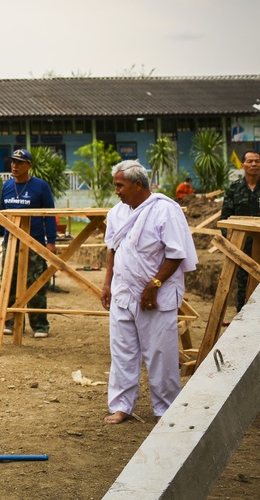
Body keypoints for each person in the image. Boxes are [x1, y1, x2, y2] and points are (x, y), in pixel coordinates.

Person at [101, 160, 197, 424]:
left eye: (120, 185)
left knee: (160, 354)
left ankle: (165, 410)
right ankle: (122, 406)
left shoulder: (165, 210)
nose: (116, 191)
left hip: (157, 294)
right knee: (122, 352)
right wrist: (107, 283)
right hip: (123, 292)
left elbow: (177, 254)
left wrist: (154, 285)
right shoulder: (116, 213)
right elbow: (112, 249)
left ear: (138, 184)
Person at [0, 148, 57, 338]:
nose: (14, 166)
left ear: (29, 165)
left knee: (36, 283)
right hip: (11, 244)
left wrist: (51, 242)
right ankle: (10, 321)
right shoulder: (7, 187)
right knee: (9, 282)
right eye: (13, 162)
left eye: (19, 162)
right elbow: (3, 216)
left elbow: (49, 216)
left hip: (34, 244)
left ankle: (40, 325)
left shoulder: (40, 187)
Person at [220, 150, 260, 312]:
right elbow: (224, 220)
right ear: (242, 165)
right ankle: (241, 324)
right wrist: (232, 246)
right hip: (242, 249)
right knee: (243, 286)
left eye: (257, 161)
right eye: (250, 161)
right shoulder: (234, 189)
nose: (254, 164)